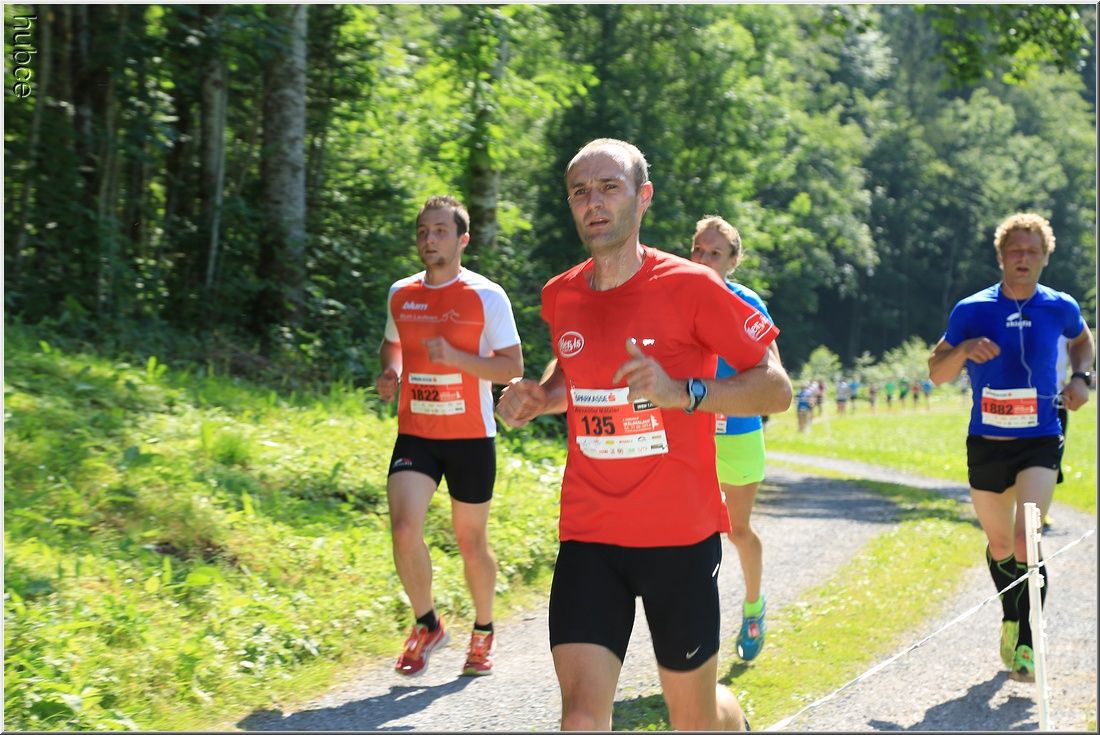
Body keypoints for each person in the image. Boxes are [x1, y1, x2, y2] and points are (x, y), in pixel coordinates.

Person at [497, 138, 791, 731]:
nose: (594, 202)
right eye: (580, 191)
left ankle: (729, 719)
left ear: (643, 197)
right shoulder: (560, 294)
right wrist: (542, 397)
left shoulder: (693, 286)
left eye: (610, 187)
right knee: (581, 719)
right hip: (590, 532)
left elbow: (775, 388)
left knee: (695, 720)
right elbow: (575, 368)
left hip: (679, 535)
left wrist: (683, 392)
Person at [928, 212, 1094, 682]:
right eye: (1015, 250)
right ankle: (1010, 615)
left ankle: (1028, 642)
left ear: (1045, 258)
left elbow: (1083, 341)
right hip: (988, 442)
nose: (1024, 258)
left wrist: (1081, 378)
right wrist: (964, 351)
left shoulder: (1059, 305)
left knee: (1027, 539)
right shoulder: (972, 309)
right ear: (1001, 256)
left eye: (1032, 251)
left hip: (1040, 437)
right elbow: (936, 371)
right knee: (1001, 544)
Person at [377, 195, 524, 678]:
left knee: (470, 541)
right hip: (416, 433)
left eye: (440, 231)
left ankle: (483, 631)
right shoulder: (401, 293)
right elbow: (392, 345)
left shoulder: (487, 296)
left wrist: (458, 359)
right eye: (423, 231)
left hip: (470, 437)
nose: (429, 239)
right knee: (404, 529)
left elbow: (512, 366)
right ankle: (427, 624)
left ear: (463, 240)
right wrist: (391, 372)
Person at [689, 215, 777, 662]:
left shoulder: (746, 303)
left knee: (737, 530)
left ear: (733, 261)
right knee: (690, 533)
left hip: (738, 432)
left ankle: (754, 607)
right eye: (698, 250)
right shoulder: (673, 295)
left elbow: (773, 372)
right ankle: (692, 631)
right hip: (690, 432)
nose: (704, 259)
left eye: (715, 253)